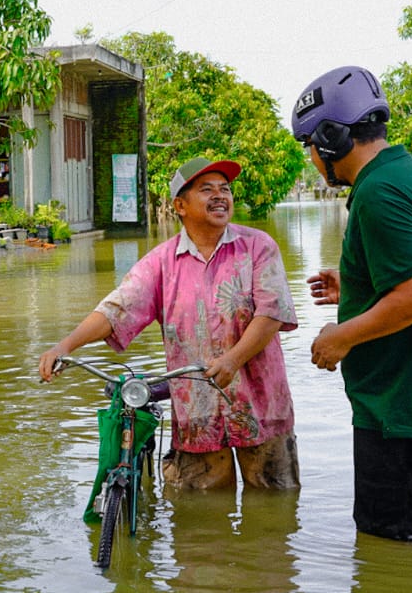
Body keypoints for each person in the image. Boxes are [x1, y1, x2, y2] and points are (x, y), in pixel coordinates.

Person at [38, 156, 299, 490]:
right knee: (200, 522)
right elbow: (116, 309)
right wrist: (65, 345)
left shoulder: (258, 246)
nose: (220, 196)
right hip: (197, 413)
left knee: (274, 511)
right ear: (180, 205)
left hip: (261, 405)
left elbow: (271, 313)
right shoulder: (162, 262)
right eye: (207, 190)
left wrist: (234, 359)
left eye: (225, 189)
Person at [292, 64, 412, 541]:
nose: (312, 159)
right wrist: (357, 284)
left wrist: (339, 337)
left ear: (331, 139)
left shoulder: (377, 192)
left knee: (394, 557)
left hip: (403, 411)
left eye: (310, 146)